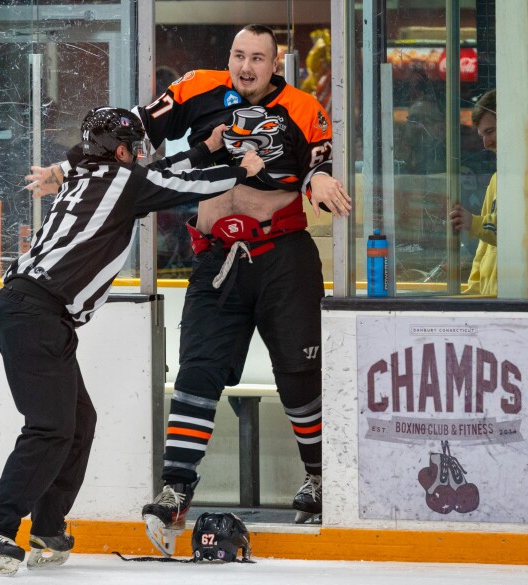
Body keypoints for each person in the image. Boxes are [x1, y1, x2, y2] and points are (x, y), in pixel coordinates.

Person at [27, 24, 351, 554]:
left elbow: (321, 157)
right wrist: (66, 168)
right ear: (230, 57)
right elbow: (127, 137)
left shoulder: (303, 106)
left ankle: (316, 477)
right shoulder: (197, 86)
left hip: (284, 261)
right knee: (197, 372)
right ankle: (176, 489)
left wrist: (318, 177)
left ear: (276, 64)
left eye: (258, 59)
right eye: (239, 55)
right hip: (216, 259)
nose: (247, 66)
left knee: (298, 374)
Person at [0, 106, 265, 577]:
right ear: (122, 150)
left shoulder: (90, 174)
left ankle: (47, 526)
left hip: (35, 313)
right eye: (135, 149)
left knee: (77, 421)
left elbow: (160, 174)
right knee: (49, 428)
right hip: (35, 314)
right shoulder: (122, 182)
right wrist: (238, 168)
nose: (139, 158)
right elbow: (180, 187)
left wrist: (205, 149)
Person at [450, 89, 497, 296]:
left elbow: (519, 234)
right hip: (491, 298)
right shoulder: (498, 178)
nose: (486, 144)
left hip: (516, 300)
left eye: (490, 132)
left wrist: (474, 223)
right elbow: (484, 248)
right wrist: (473, 291)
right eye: (482, 135)